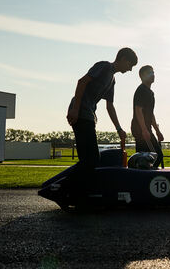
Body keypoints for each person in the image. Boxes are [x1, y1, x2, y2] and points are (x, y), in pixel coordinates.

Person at [67, 47, 138, 180]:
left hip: (89, 116)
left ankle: (77, 192)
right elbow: (82, 82)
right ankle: (63, 188)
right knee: (91, 160)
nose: (130, 69)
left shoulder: (112, 80)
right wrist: (75, 109)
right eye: (130, 65)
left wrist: (119, 129)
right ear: (123, 59)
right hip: (81, 113)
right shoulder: (104, 66)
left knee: (90, 160)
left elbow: (110, 106)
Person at [131, 65, 164, 168]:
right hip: (140, 129)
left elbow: (151, 114)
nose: (153, 75)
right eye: (149, 73)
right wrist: (144, 130)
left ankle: (146, 179)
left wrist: (157, 131)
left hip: (146, 128)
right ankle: (145, 180)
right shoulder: (141, 90)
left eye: (153, 72)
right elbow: (138, 110)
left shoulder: (150, 93)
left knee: (146, 159)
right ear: (142, 76)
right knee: (155, 156)